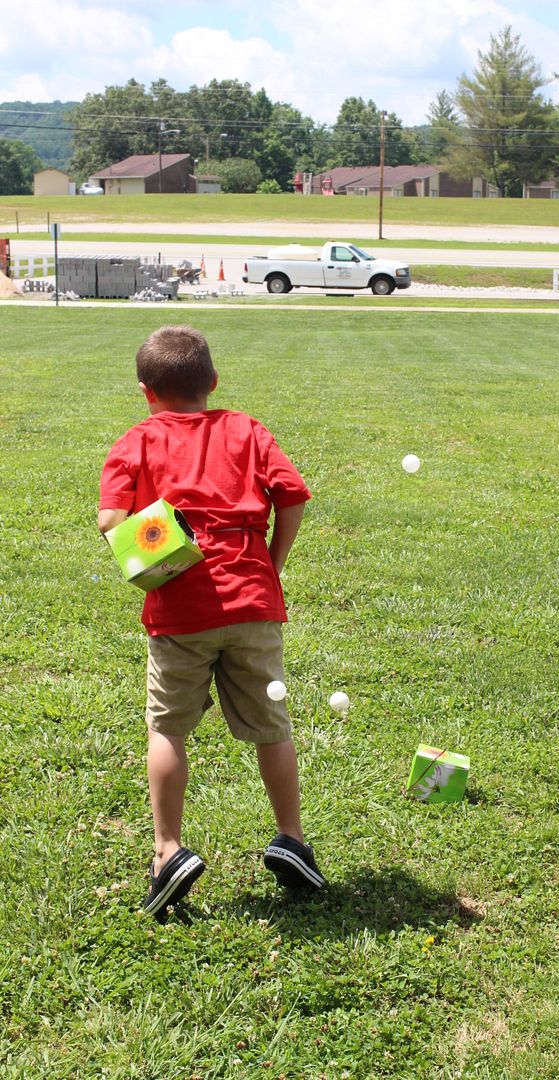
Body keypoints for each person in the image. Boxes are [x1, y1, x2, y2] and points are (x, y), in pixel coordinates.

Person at [98, 325, 325, 920]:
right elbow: (292, 496)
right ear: (214, 382)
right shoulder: (246, 429)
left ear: (146, 391)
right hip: (254, 600)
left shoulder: (137, 441)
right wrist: (270, 565)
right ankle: (293, 839)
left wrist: (159, 543)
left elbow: (110, 519)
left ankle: (167, 851)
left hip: (179, 608)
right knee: (272, 725)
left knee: (168, 728)